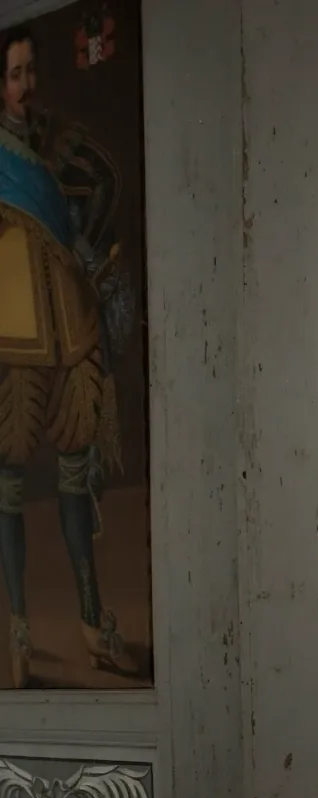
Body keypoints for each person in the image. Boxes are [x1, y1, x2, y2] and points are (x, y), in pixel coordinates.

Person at [0, 25, 138, 688]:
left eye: (30, 72)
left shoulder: (49, 141)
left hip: (68, 318)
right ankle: (19, 632)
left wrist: (84, 246)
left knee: (76, 475)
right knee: (8, 482)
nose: (26, 87)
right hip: (11, 324)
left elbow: (95, 192)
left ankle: (92, 620)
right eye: (14, 74)